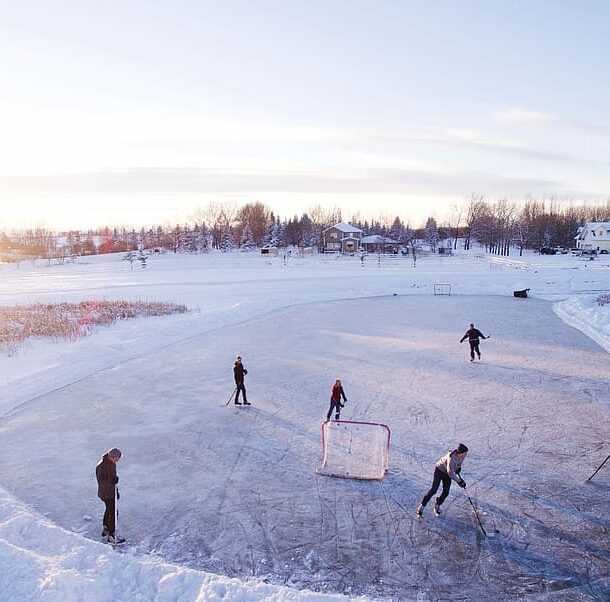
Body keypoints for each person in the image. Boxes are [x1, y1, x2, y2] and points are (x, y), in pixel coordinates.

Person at [416, 443, 468, 517]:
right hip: (439, 470)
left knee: (446, 492)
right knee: (434, 490)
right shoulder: (451, 458)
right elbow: (450, 472)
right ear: (460, 453)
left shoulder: (462, 456)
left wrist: (458, 468)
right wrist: (459, 481)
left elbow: (458, 464)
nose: (466, 455)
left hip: (447, 474)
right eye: (465, 453)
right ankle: (421, 506)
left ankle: (437, 503)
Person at [95, 447, 125, 544]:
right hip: (106, 493)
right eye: (117, 458)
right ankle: (112, 536)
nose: (117, 460)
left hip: (111, 492)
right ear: (111, 457)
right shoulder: (101, 466)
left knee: (109, 510)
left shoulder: (112, 464)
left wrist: (116, 491)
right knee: (113, 513)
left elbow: (112, 478)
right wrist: (112, 481)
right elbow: (101, 482)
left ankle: (106, 527)